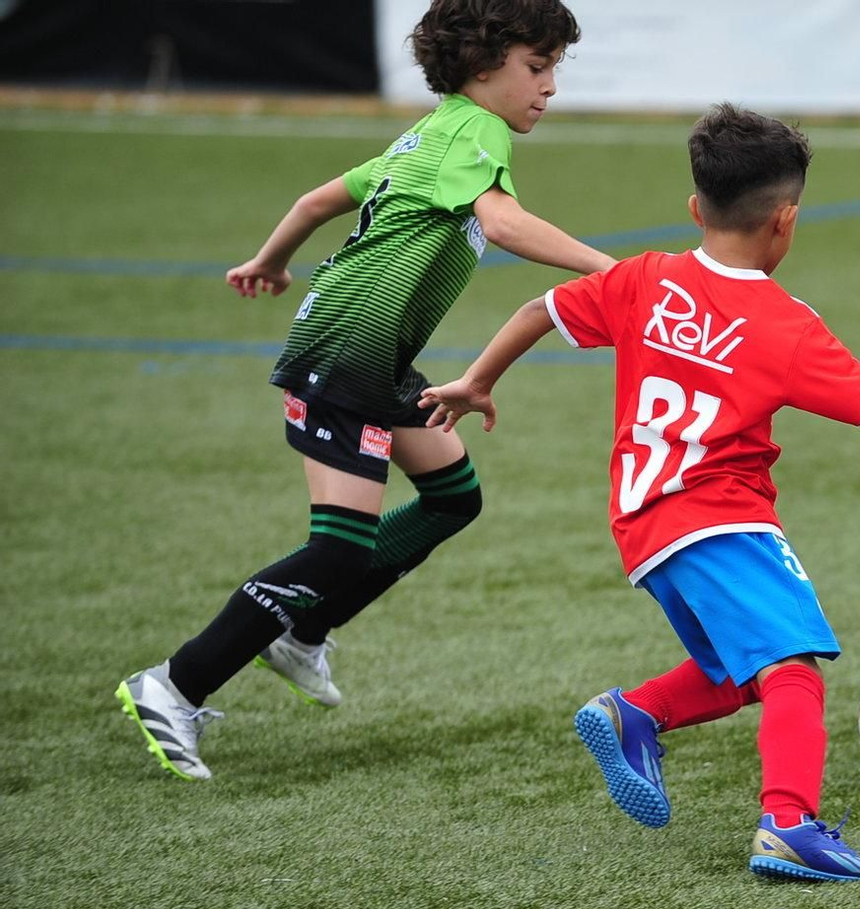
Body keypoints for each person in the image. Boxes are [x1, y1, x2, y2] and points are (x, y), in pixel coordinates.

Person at [422, 104, 860, 882]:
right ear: (785, 221)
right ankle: (788, 824)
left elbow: (537, 309)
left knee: (736, 675)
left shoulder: (642, 278)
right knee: (794, 664)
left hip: (642, 523)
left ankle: (633, 714)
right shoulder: (787, 324)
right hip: (721, 517)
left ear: (697, 208)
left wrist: (476, 380)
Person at [116, 0, 616, 782]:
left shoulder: (430, 134)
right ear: (484, 67)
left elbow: (318, 203)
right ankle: (175, 684)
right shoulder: (470, 134)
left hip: (373, 356)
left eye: (554, 68)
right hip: (344, 355)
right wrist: (613, 271)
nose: (550, 86)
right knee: (338, 547)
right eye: (537, 66)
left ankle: (301, 633)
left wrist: (271, 262)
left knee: (452, 497)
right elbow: (507, 225)